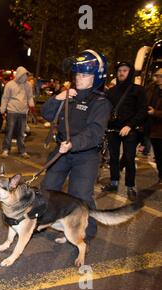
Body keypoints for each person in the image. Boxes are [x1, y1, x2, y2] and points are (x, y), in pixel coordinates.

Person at [40, 49, 112, 242]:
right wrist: (58, 98)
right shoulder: (69, 95)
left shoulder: (101, 102)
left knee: (80, 196)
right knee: (48, 188)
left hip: (86, 155)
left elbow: (95, 132)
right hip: (63, 150)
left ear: (96, 77)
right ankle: (49, 224)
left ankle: (85, 234)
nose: (79, 78)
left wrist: (73, 143)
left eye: (85, 74)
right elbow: (46, 114)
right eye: (78, 74)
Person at [102, 62, 147, 201]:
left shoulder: (138, 90)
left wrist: (130, 126)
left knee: (128, 158)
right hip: (113, 130)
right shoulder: (111, 91)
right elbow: (106, 110)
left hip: (130, 131)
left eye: (125, 70)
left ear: (130, 72)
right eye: (119, 70)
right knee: (113, 158)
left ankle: (130, 186)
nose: (121, 73)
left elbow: (142, 111)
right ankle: (114, 182)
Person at [1, 66, 35, 159]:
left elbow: (30, 96)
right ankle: (6, 149)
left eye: (26, 75)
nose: (25, 77)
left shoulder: (28, 85)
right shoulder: (10, 84)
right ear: (19, 74)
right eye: (24, 75)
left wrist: (31, 104)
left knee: (21, 133)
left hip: (23, 112)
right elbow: (5, 97)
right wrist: (3, 109)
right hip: (12, 111)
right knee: (9, 131)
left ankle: (22, 151)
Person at [146, 68, 162, 184]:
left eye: (160, 76)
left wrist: (155, 112)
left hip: (160, 130)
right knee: (158, 155)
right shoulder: (152, 89)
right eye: (156, 75)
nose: (157, 78)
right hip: (153, 130)